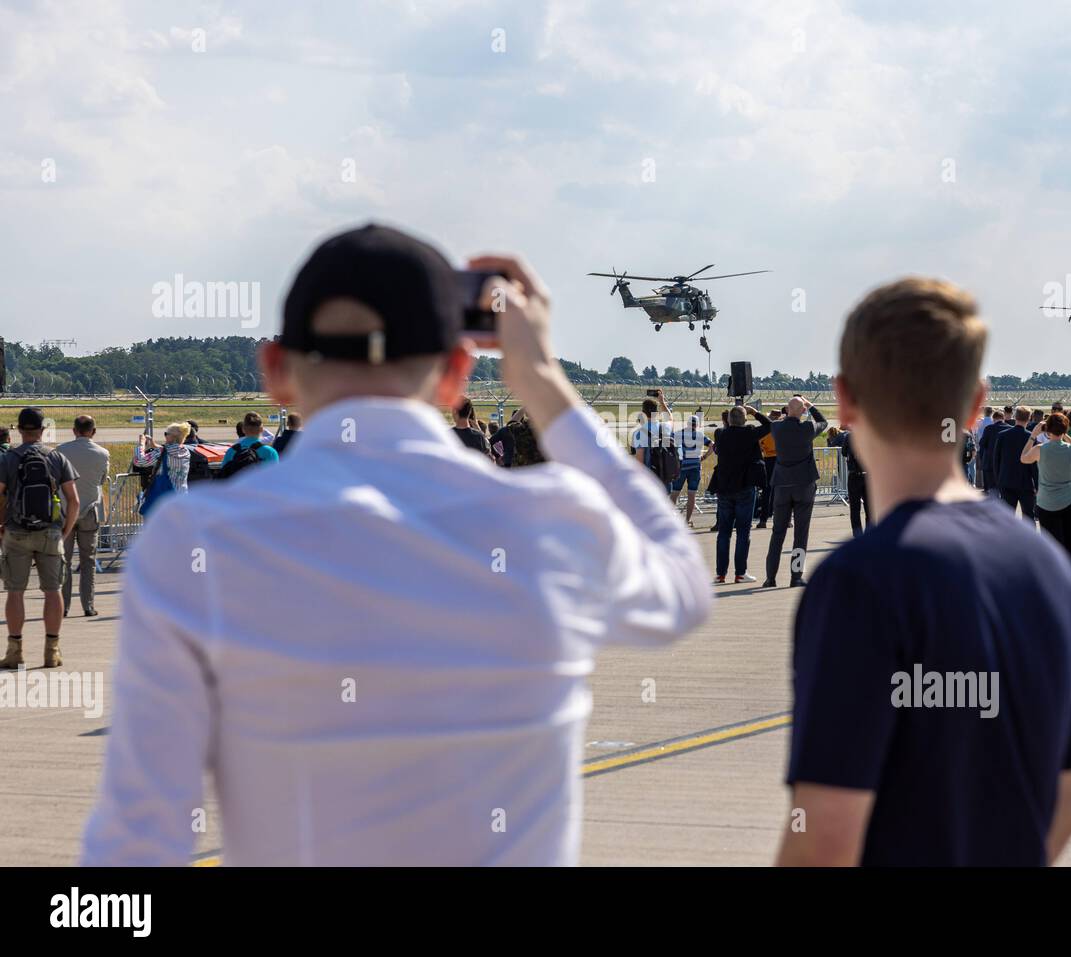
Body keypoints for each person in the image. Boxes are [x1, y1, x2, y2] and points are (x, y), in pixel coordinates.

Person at [82, 225, 710, 866]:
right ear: (457, 374)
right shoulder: (550, 517)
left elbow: (139, 841)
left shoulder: (195, 543)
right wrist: (543, 380)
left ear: (276, 372)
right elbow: (684, 587)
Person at [776, 277, 1071, 866]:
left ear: (845, 402)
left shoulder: (860, 581)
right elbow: (1070, 802)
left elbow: (823, 838)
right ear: (976, 406)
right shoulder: (1049, 568)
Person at [0, 407, 80, 670]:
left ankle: (15, 651)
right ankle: (52, 650)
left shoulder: (9, 458)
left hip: (16, 531)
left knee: (15, 591)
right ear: (43, 430)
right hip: (50, 532)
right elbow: (74, 500)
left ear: (19, 430)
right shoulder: (56, 457)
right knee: (52, 590)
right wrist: (65, 531)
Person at [763, 395, 828, 588]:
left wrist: (793, 410)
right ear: (802, 411)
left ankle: (770, 577)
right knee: (801, 533)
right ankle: (796, 575)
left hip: (782, 484)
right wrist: (811, 406)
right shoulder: (807, 429)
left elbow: (774, 421)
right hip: (804, 484)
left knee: (777, 533)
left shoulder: (776, 428)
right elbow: (823, 422)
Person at [1020, 412, 1071, 592]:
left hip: (1047, 501)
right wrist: (1065, 436)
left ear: (1047, 429)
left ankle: (1056, 584)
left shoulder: (1040, 449)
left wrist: (1033, 435)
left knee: (1052, 546)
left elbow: (1023, 457)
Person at [56, 415, 111, 617]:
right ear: (93, 432)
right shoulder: (102, 453)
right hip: (90, 511)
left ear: (74, 430)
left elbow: (55, 478)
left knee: (64, 560)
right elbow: (103, 479)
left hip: (65, 511)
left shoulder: (61, 450)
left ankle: (64, 606)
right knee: (88, 560)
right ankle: (88, 605)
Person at [708, 404, 770, 582]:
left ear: (728, 420)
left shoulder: (720, 434)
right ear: (745, 419)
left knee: (724, 533)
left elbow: (727, 434)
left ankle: (720, 573)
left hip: (724, 488)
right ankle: (740, 572)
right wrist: (755, 413)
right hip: (744, 486)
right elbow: (770, 426)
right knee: (743, 532)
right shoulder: (750, 433)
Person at [133, 422, 193, 516]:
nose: (165, 436)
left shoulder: (161, 452)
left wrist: (141, 445)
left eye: (166, 434)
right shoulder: (186, 452)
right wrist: (155, 445)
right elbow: (170, 450)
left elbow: (139, 461)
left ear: (172, 437)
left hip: (163, 500)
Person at [992, 406, 1036, 522]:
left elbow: (996, 460)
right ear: (1029, 418)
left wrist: (998, 480)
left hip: (1006, 481)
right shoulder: (1030, 438)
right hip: (1026, 483)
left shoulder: (1002, 435)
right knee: (1028, 517)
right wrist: (1037, 484)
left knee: (1007, 518)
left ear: (1015, 417)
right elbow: (1034, 465)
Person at [671, 414, 712, 527]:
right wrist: (704, 457)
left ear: (687, 423)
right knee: (691, 495)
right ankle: (687, 520)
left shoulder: (679, 434)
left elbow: (668, 441)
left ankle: (670, 518)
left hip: (682, 466)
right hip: (695, 467)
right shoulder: (700, 435)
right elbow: (712, 445)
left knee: (674, 493)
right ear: (697, 425)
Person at [829, 422, 869, 534]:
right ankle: (869, 534)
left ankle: (857, 535)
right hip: (868, 476)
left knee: (855, 509)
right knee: (869, 509)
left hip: (854, 475)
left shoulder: (850, 437)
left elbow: (844, 452)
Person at [630, 390, 674, 490]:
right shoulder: (665, 427)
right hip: (665, 475)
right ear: (657, 413)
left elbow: (639, 461)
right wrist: (662, 402)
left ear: (643, 413)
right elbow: (670, 418)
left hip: (650, 480)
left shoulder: (639, 433)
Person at [219, 412, 280, 478]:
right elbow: (275, 478)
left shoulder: (231, 451)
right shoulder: (270, 452)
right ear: (262, 429)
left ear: (243, 430)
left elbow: (223, 475)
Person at [754, 408, 782, 529]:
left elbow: (760, 446)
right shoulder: (782, 430)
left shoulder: (765, 431)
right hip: (781, 460)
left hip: (768, 460)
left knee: (767, 491)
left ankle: (763, 519)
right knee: (781, 491)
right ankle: (783, 519)